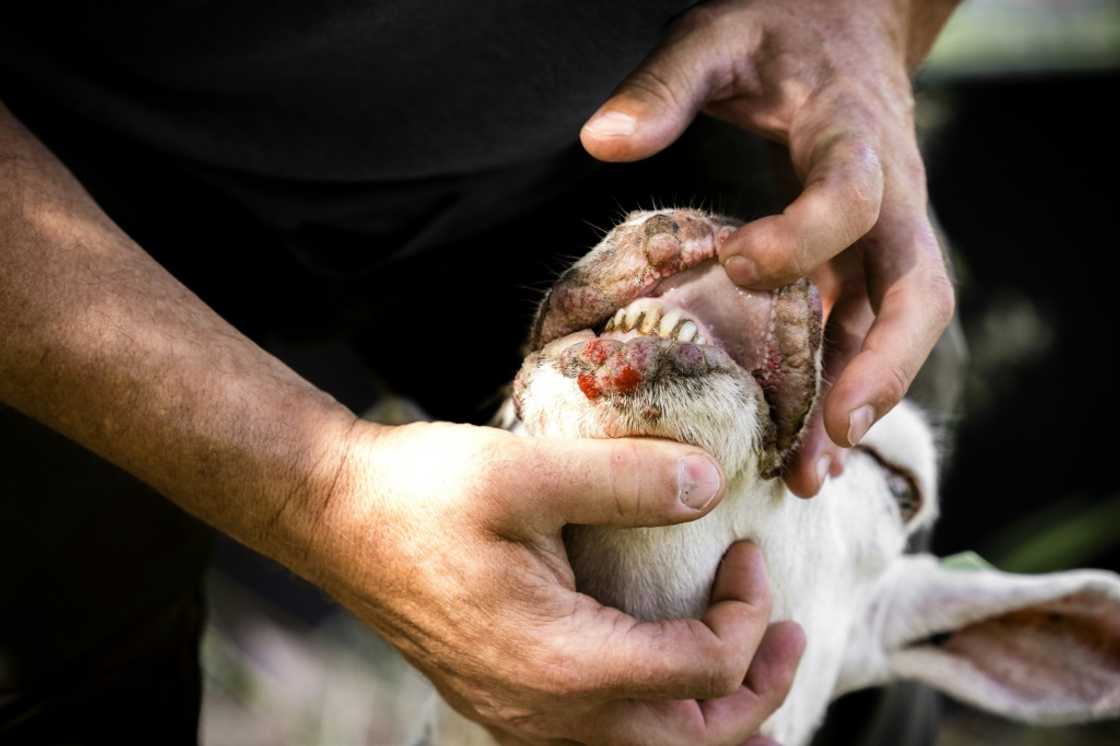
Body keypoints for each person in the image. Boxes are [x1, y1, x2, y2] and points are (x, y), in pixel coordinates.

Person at [0, 1, 958, 743]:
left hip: (617, 115)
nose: (839, 449)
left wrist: (867, 22)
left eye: (884, 469)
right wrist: (316, 485)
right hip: (56, 177)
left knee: (900, 336)